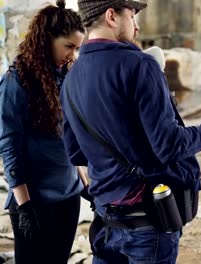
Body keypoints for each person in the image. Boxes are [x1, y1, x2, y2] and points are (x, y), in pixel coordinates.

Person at [61, 0, 201, 263]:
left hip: (105, 221)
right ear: (112, 16)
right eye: (133, 16)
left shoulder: (70, 78)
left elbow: (75, 152)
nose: (137, 26)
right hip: (147, 224)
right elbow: (169, 145)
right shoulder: (140, 65)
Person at [0, 1, 87, 263]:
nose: (73, 54)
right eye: (68, 46)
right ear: (48, 39)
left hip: (68, 198)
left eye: (77, 48)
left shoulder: (67, 76)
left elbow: (70, 139)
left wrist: (85, 184)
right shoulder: (17, 80)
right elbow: (9, 145)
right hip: (35, 202)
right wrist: (24, 206)